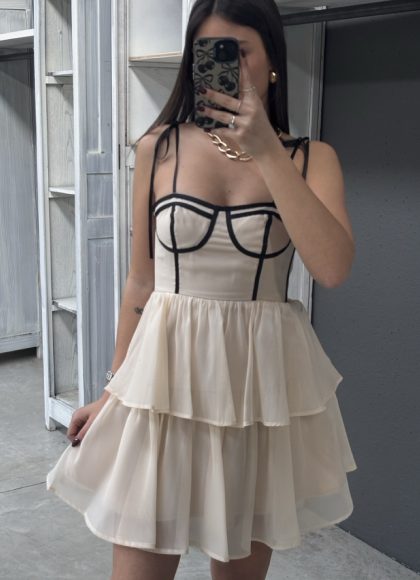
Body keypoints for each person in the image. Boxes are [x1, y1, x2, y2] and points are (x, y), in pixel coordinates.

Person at [46, 0, 358, 579]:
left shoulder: (311, 159)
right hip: (164, 385)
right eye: (208, 53)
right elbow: (141, 282)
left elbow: (332, 268)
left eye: (238, 52)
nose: (223, 67)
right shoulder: (158, 147)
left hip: (256, 394)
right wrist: (113, 391)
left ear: (272, 61)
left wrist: (266, 150)